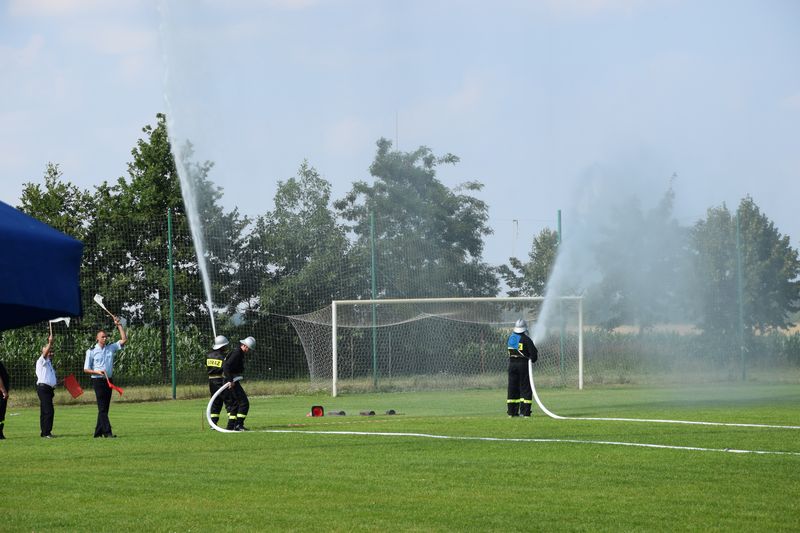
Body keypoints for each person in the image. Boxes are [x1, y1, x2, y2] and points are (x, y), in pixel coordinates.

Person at [84, 317, 127, 438]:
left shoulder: (110, 348)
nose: (105, 338)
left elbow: (124, 340)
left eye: (105, 336)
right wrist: (97, 372)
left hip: (109, 380)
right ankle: (108, 432)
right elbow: (86, 369)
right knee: (102, 407)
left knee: (105, 408)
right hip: (98, 381)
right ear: (97, 338)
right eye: (102, 336)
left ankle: (98, 433)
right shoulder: (91, 351)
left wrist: (119, 325)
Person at [507, 318, 538, 417]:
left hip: (512, 365)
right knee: (525, 388)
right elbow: (534, 356)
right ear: (525, 328)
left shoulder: (511, 338)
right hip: (523, 365)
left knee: (512, 388)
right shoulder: (526, 339)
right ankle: (525, 412)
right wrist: (532, 358)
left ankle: (512, 412)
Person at [223, 336, 255, 431]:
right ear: (244, 345)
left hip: (231, 380)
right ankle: (238, 425)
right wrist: (230, 380)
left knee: (235, 404)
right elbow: (226, 366)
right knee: (244, 403)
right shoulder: (237, 353)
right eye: (248, 348)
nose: (248, 350)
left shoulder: (239, 353)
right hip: (231, 381)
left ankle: (231, 425)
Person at [206, 334, 233, 428]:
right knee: (229, 401)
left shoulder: (208, 355)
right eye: (225, 345)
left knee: (215, 402)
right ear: (222, 346)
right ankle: (232, 422)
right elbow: (226, 368)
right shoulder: (223, 356)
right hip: (221, 380)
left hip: (211, 382)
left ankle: (213, 423)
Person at [36, 334, 58, 438]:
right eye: (49, 351)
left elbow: (49, 379)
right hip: (43, 388)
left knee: (45, 411)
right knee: (48, 411)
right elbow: (45, 353)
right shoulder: (41, 360)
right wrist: (50, 342)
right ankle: (46, 433)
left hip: (49, 389)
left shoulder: (49, 364)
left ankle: (44, 432)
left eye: (52, 351)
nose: (51, 353)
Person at [0, 358, 9, 440]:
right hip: (0, 394)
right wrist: (3, 391)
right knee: (0, 414)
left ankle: (1, 432)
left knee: (2, 415)